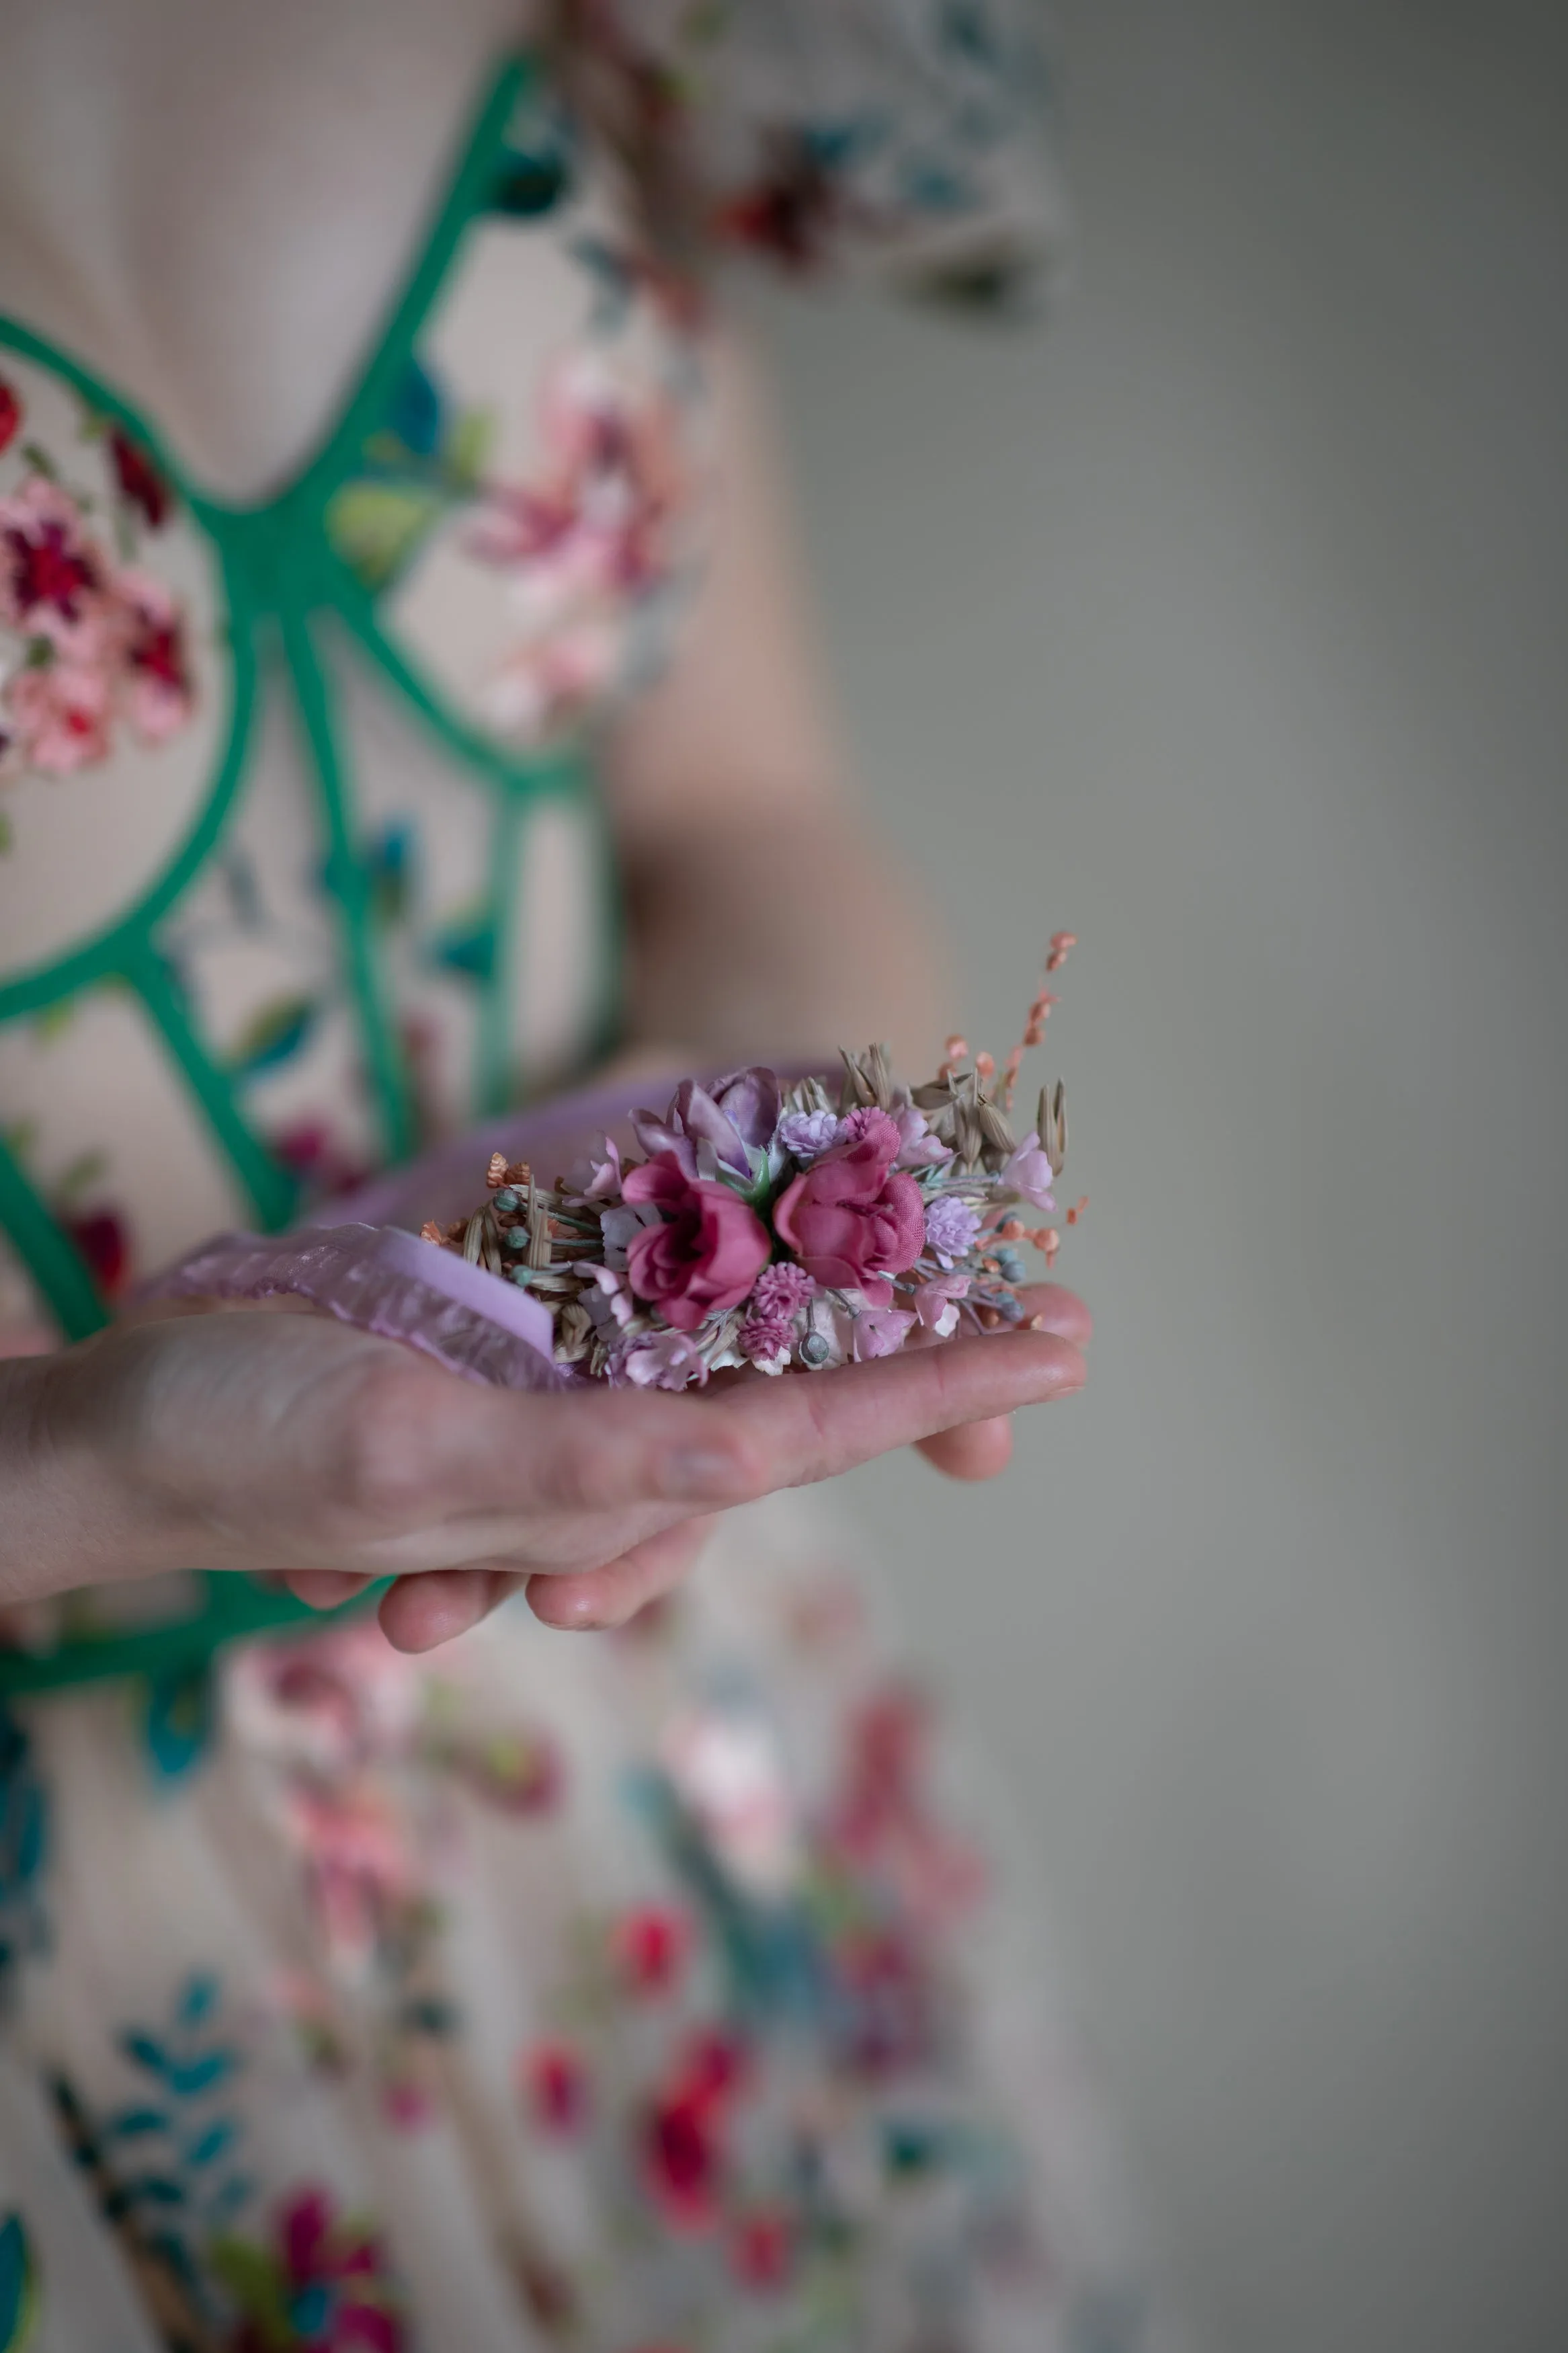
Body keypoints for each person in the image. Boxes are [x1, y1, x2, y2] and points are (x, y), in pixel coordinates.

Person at [0, 5, 1155, 2346]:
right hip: (94, 1955)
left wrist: (726, 1139)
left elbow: (748, 816)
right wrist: (101, 1459)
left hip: (675, 1735)